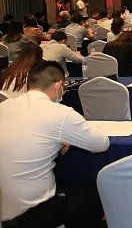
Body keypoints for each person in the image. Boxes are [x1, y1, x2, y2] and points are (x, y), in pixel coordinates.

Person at [0, 61, 109, 227]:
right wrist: (65, 137)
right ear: (58, 85)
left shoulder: (5, 106)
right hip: (33, 212)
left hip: (5, 208)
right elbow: (101, 143)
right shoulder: (60, 113)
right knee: (93, 191)